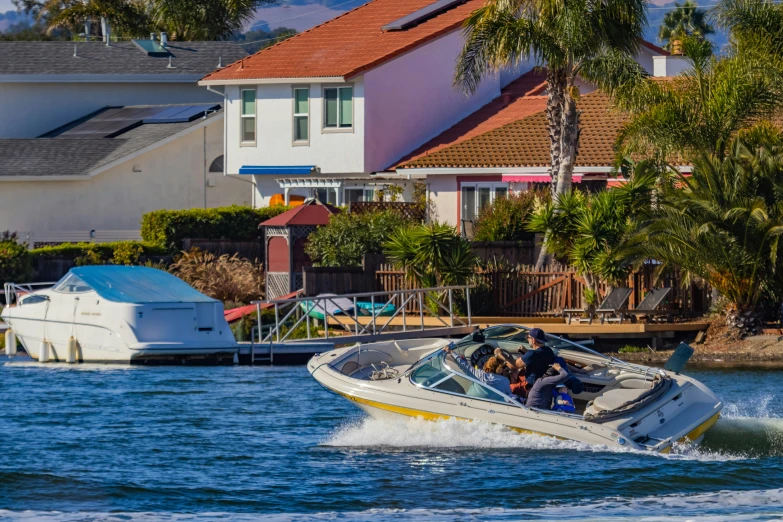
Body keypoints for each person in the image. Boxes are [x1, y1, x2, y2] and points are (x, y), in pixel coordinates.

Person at [443, 344, 511, 395]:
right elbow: (509, 395)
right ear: (500, 369)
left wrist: (451, 352)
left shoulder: (478, 374)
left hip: (470, 400)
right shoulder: (505, 381)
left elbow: (464, 366)